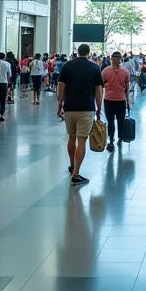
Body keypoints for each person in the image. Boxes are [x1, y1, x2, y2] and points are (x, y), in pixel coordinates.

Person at [57, 43, 104, 186]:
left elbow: (61, 88)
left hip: (69, 107)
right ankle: (76, 174)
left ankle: (72, 165)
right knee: (82, 140)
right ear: (89, 53)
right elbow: (98, 91)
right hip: (86, 108)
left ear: (77, 52)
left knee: (71, 137)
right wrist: (99, 108)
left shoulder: (67, 66)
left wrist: (60, 105)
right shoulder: (95, 68)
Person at [102, 50, 130, 152]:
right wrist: (128, 102)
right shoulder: (126, 72)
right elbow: (127, 89)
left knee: (110, 121)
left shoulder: (105, 71)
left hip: (108, 100)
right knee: (120, 120)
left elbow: (101, 85)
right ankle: (120, 138)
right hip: (121, 100)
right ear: (120, 60)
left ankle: (111, 140)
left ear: (111, 59)